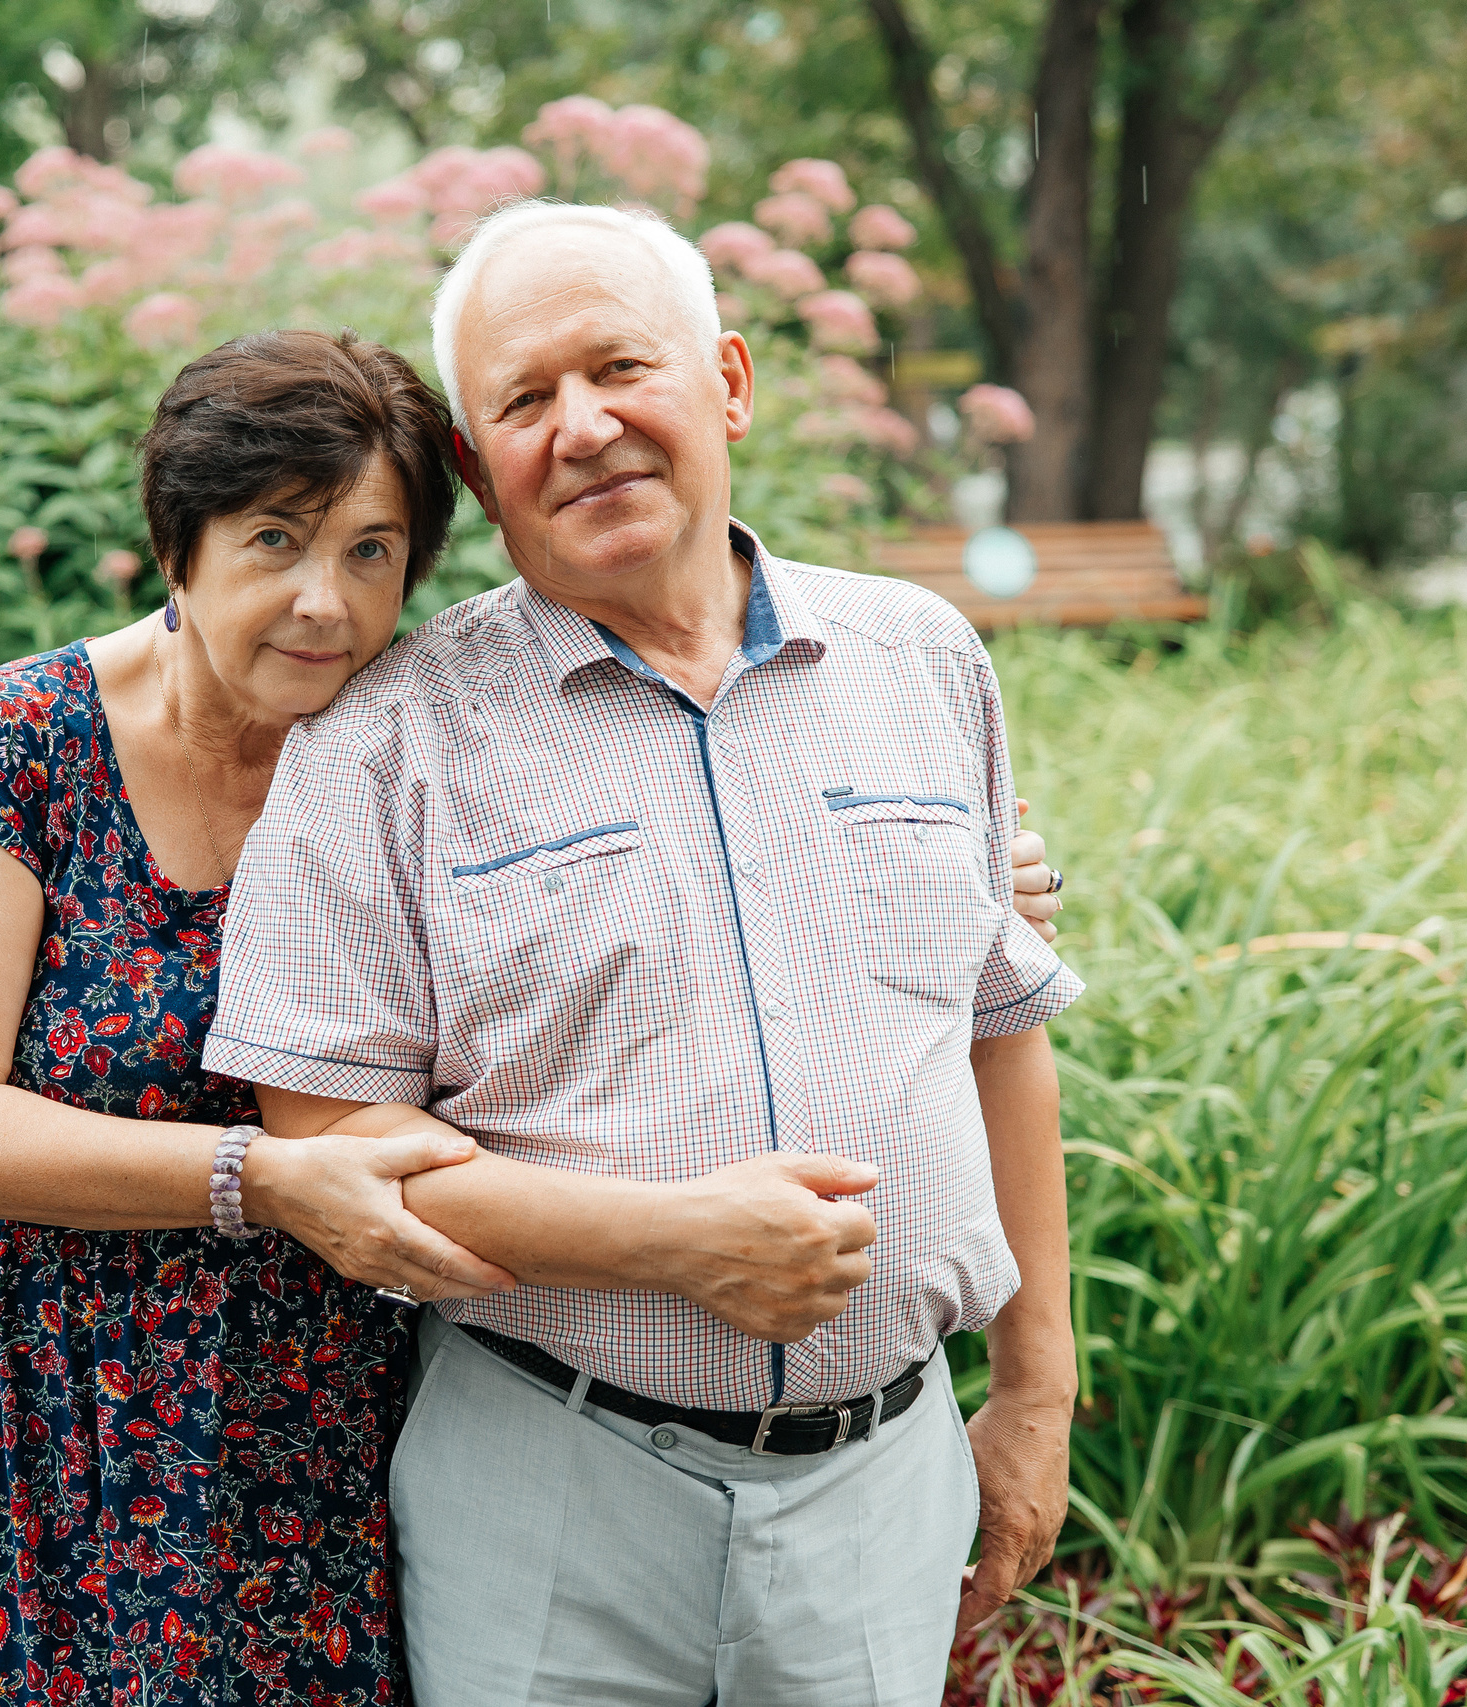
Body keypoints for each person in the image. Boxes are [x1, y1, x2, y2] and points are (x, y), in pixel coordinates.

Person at [0, 329, 1074, 1703]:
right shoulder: (12, 748)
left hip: (316, 1408)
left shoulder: (401, 744)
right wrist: (265, 1177)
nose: (323, 602)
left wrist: (967, 871)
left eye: (371, 551)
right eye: (273, 542)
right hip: (49, 1394)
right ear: (177, 547)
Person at [205, 201, 1083, 1706]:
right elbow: (333, 1149)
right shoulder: (386, 740)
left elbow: (998, 1029)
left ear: (727, 382)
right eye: (524, 401)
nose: (585, 427)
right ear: (474, 466)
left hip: (883, 1486)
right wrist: (676, 1238)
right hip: (548, 1487)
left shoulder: (923, 658)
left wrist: (1037, 1393)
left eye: (622, 368)